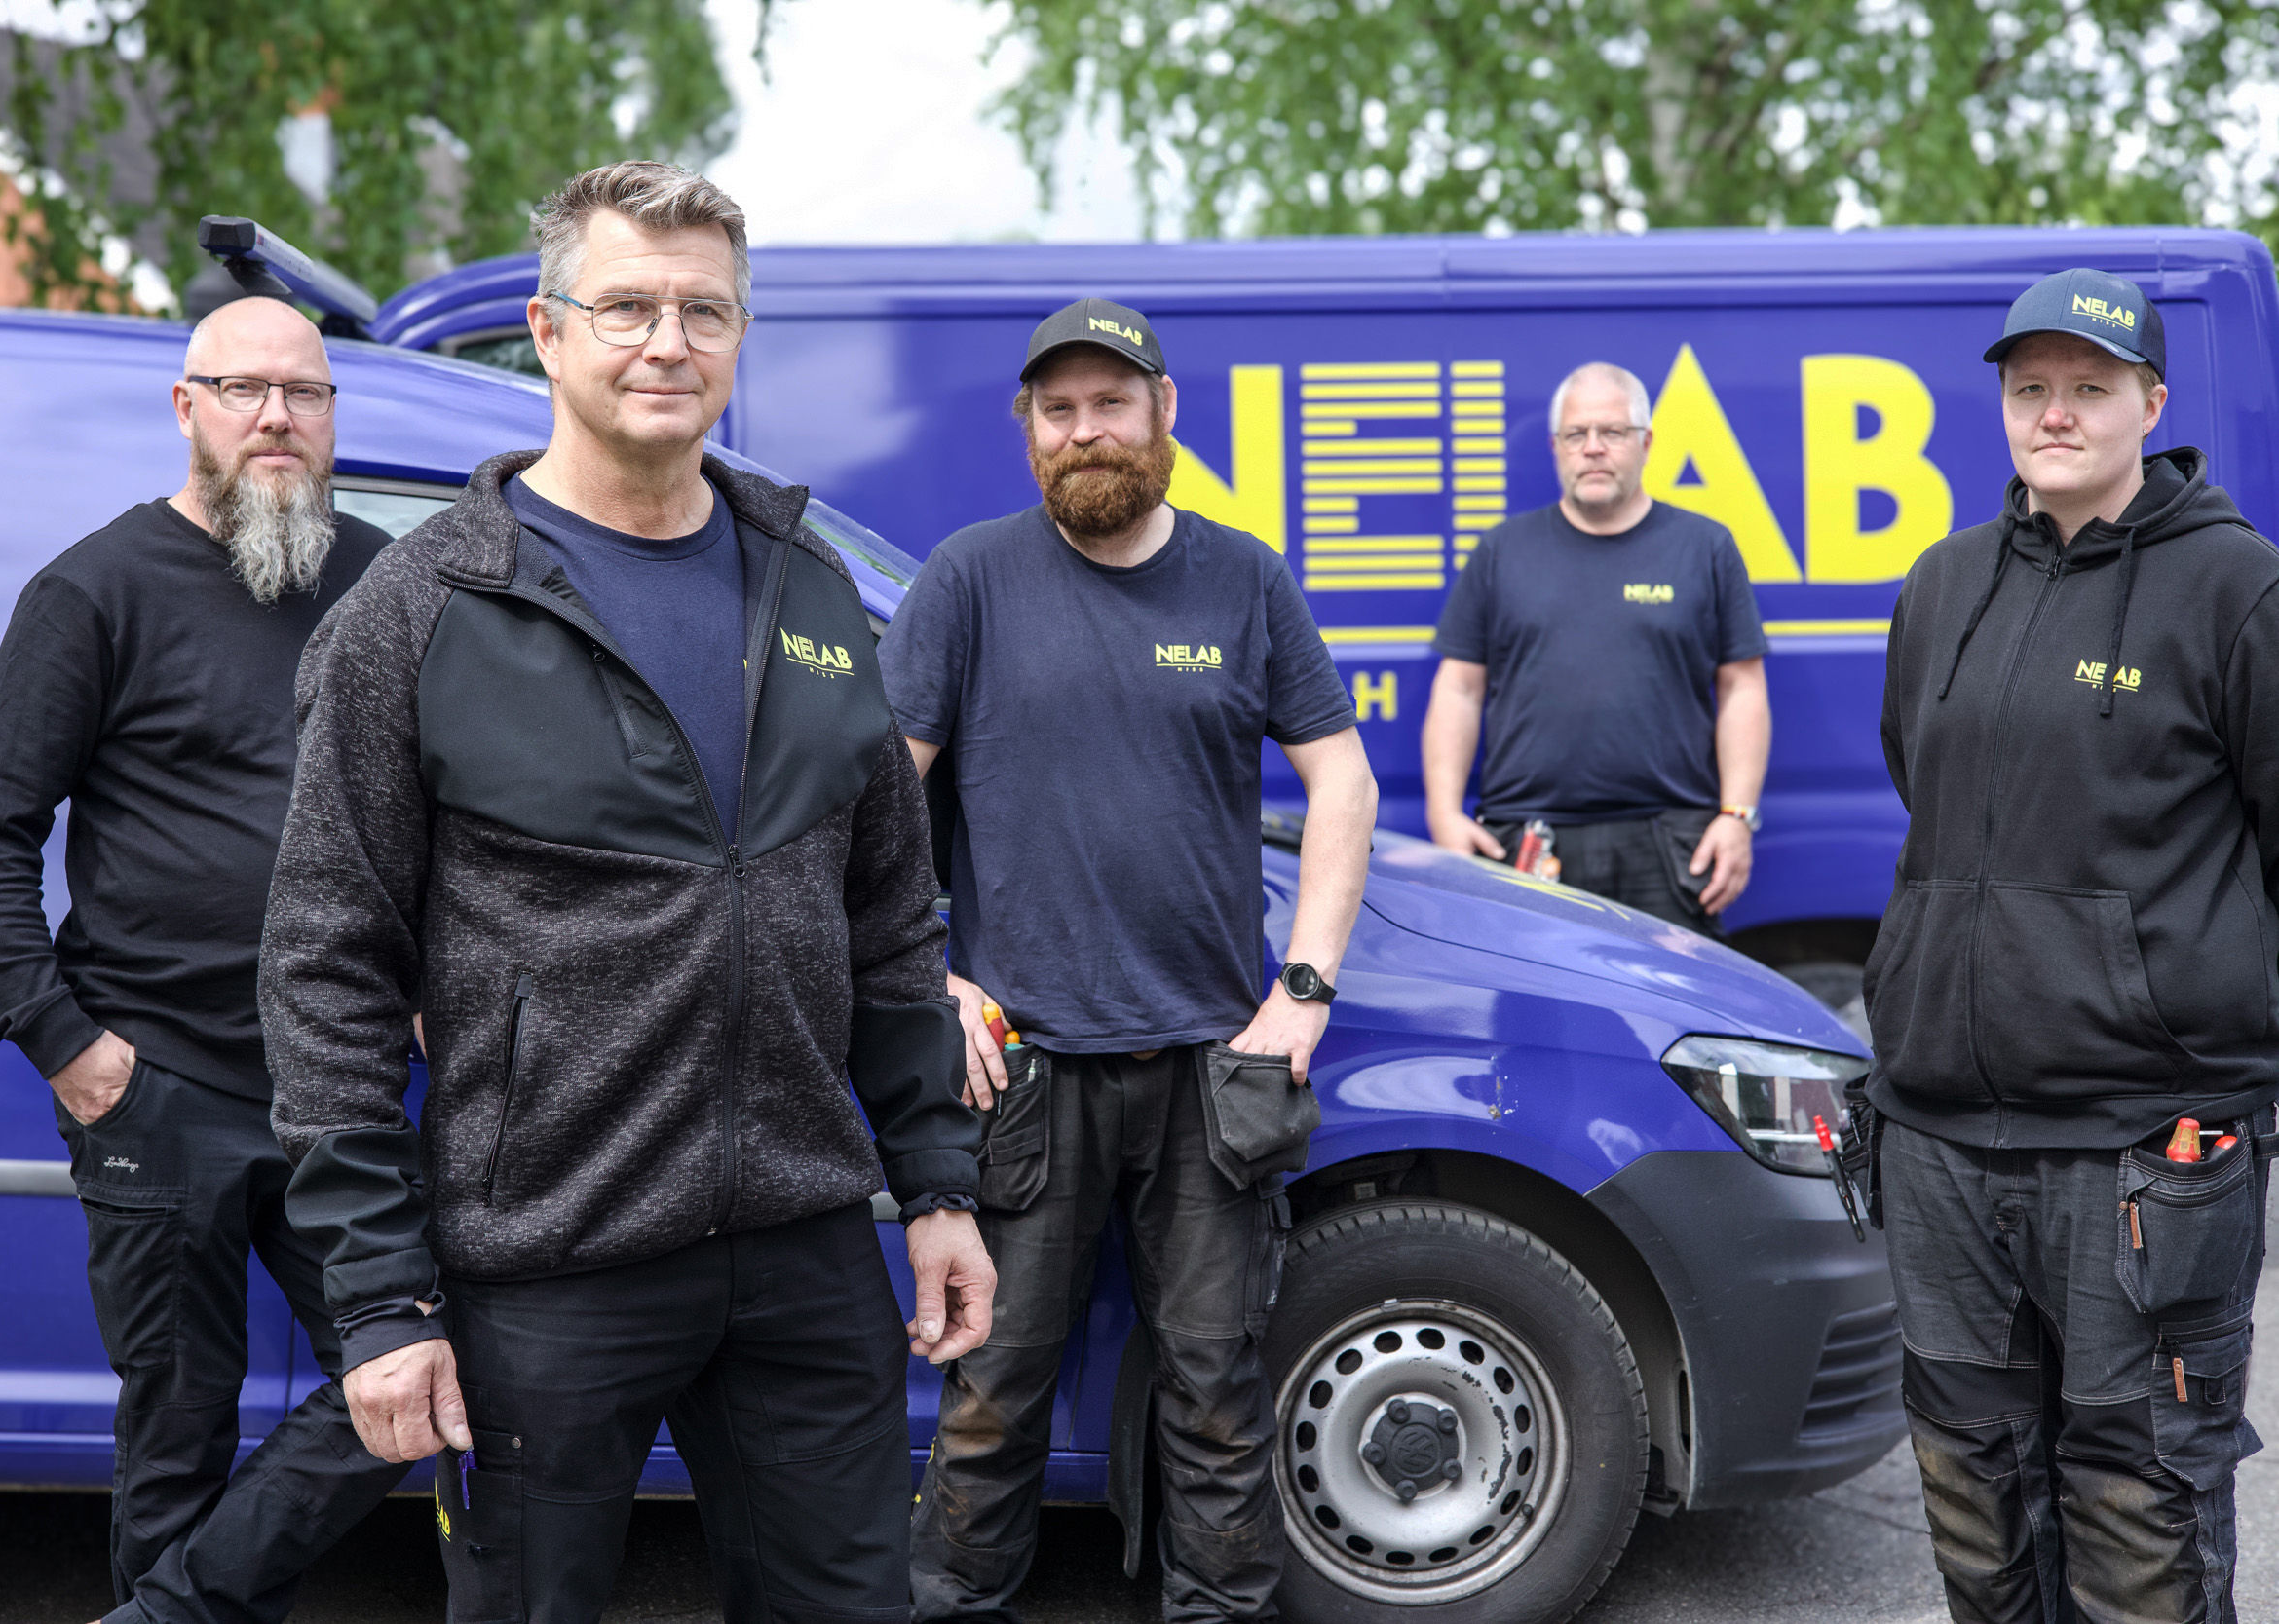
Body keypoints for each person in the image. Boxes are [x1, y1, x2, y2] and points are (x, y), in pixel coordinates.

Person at [255, 160, 993, 1624]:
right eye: (628, 306)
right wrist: (382, 1295)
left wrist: (938, 1183)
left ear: (738, 338)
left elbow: (886, 916)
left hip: (800, 1242)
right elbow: (327, 960)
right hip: (547, 1259)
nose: (669, 341)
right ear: (547, 331)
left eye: (704, 311)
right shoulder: (423, 609)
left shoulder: (807, 585)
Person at [886, 297, 1378, 1624]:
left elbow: (1342, 780)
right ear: (1026, 429)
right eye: (1057, 409)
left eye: (1111, 403)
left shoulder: (1245, 579)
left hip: (1212, 1069)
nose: (1084, 430)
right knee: (992, 1393)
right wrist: (929, 973)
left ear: (1164, 413)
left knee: (1214, 1391)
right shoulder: (968, 580)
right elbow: (871, 808)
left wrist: (1305, 985)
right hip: (1022, 1071)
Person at [0, 297, 399, 1624]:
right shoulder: (94, 589)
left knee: (414, 1369)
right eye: (245, 389)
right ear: (188, 406)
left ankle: (169, 1613)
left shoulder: (381, 581)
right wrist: (72, 1051)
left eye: (304, 394)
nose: (276, 417)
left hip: (340, 1082)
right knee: (178, 1424)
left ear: (332, 416)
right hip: (158, 1082)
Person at [1865, 267, 2278, 1622]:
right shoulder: (1942, 583)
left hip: (2143, 1143)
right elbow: (1924, 794)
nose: (2056, 412)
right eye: (2031, 386)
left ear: (2150, 405)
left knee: (2136, 1510)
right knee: (1974, 1506)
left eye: (2090, 387)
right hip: (1939, 1137)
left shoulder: (2237, 588)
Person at [1419, 361, 1770, 930]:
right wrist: (1442, 811)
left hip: (1670, 848)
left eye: (1612, 432)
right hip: (1525, 844)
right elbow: (1458, 688)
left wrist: (1737, 815)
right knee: (1529, 993)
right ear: (1556, 447)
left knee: (1675, 992)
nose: (1593, 448)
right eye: (1576, 434)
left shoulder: (1704, 547)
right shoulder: (1502, 552)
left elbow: (1742, 688)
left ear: (1646, 442)